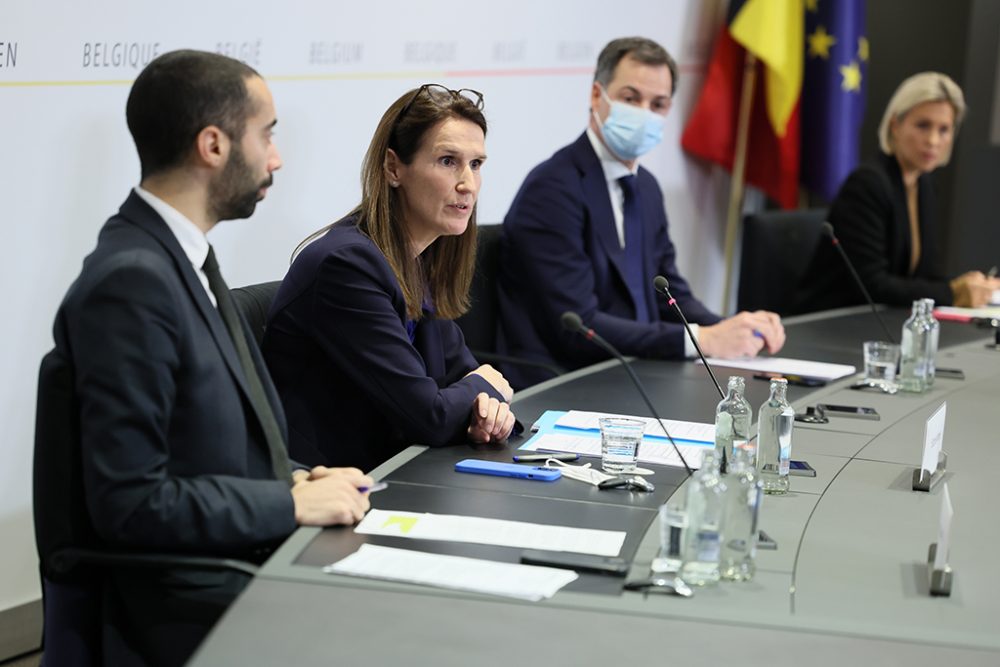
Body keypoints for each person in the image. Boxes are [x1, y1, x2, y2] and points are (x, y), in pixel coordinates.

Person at [47, 50, 373, 666]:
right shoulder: (131, 282)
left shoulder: (181, 256)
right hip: (181, 603)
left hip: (226, 567)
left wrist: (298, 477)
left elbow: (205, 447)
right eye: (267, 134)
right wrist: (287, 502)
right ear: (214, 145)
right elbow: (131, 503)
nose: (276, 157)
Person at [496, 37, 785, 389]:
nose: (644, 113)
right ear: (596, 96)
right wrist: (701, 340)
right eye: (631, 99)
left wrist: (733, 331)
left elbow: (670, 293)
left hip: (635, 373)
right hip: (565, 380)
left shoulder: (645, 187)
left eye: (658, 104)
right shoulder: (552, 189)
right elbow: (577, 326)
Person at [263, 84, 516, 472]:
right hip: (328, 489)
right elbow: (430, 416)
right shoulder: (347, 265)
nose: (468, 183)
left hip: (392, 473)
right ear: (394, 167)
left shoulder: (418, 256)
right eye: (448, 161)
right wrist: (485, 386)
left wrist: (489, 410)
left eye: (476, 164)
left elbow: (460, 375)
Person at [792, 72, 1000, 313]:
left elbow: (927, 275)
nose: (933, 140)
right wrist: (952, 292)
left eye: (944, 129)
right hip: (832, 322)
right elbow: (873, 284)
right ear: (895, 125)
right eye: (923, 125)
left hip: (881, 322)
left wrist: (971, 286)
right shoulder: (868, 184)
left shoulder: (925, 184)